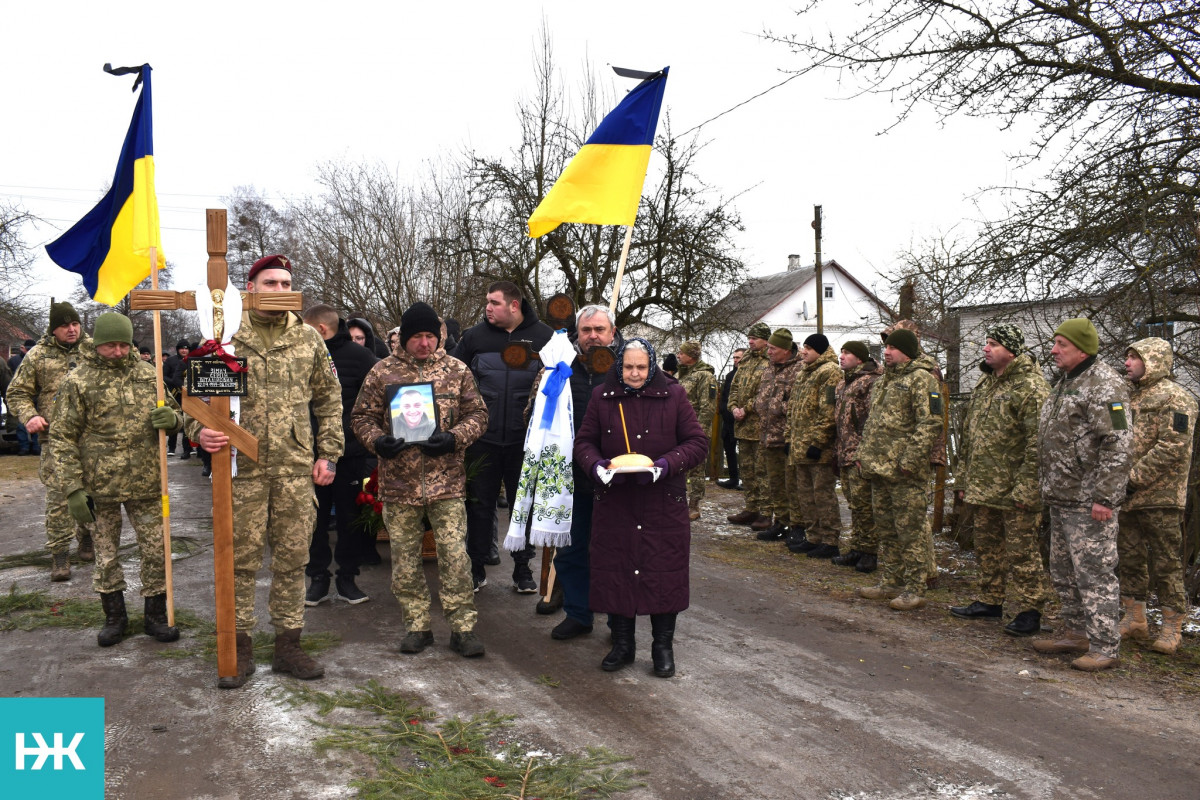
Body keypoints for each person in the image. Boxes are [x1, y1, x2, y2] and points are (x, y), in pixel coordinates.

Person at [186, 254, 343, 688]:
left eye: (285, 283)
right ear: (250, 288)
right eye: (269, 283)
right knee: (239, 561)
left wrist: (328, 454)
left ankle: (289, 645)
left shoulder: (309, 340)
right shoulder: (226, 339)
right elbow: (193, 402)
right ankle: (239, 645)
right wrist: (201, 430)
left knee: (294, 559)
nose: (279, 289)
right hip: (242, 467)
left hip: (294, 467)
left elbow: (329, 401)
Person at [352, 301, 489, 657]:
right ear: (405, 338)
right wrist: (378, 442)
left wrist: (454, 437)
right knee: (405, 560)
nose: (425, 343)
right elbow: (361, 417)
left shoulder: (456, 370)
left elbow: (478, 414)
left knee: (455, 557)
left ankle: (462, 628)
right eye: (417, 337)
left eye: (430, 335)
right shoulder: (382, 372)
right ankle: (417, 626)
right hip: (399, 484)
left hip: (447, 483)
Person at [574, 338, 709, 677]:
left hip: (663, 502)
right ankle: (622, 644)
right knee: (616, 571)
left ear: (652, 368)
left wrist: (665, 464)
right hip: (616, 501)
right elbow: (584, 442)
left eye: (641, 367)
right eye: (628, 366)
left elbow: (697, 443)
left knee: (664, 572)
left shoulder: (674, 395)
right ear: (619, 366)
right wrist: (597, 467)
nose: (634, 374)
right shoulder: (601, 397)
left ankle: (662, 647)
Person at [50, 313, 183, 647]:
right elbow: (62, 436)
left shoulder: (147, 374)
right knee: (106, 555)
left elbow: (177, 411)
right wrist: (73, 488)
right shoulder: (78, 380)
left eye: (124, 344)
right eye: (111, 345)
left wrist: (174, 419)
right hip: (100, 485)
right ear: (97, 344)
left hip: (147, 481)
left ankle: (155, 616)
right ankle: (115, 617)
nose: (119, 351)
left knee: (156, 549)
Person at [1033, 317, 1131, 671]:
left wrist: (1105, 496)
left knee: (1094, 572)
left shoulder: (1104, 383)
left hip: (1089, 501)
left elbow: (1117, 442)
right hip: (1061, 496)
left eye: (1061, 345)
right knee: (1063, 571)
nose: (1053, 350)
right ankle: (1076, 633)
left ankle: (1105, 646)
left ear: (1082, 349)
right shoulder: (1065, 382)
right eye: (1054, 343)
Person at [524, 305, 622, 638]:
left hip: (615, 478)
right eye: (586, 330)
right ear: (576, 333)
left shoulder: (629, 368)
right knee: (570, 550)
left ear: (612, 331)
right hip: (569, 477)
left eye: (599, 329)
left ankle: (617, 622)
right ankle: (579, 613)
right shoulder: (557, 366)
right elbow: (533, 415)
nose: (593, 336)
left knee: (613, 553)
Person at [950, 325, 1053, 636]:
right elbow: (969, 437)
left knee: (1022, 552)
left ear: (1011, 350)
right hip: (984, 485)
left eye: (993, 344)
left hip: (1015, 488)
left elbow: (1038, 444)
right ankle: (990, 600)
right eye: (986, 343)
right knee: (987, 546)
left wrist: (1026, 487)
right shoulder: (986, 384)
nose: (986, 349)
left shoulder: (1031, 389)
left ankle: (1030, 610)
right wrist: (963, 478)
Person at [452, 281, 553, 592]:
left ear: (514, 306)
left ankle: (523, 570)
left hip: (526, 441)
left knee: (523, 505)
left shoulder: (546, 338)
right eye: (487, 302)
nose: (488, 308)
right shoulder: (474, 337)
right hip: (482, 440)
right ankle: (477, 567)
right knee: (479, 505)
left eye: (494, 302)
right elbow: (452, 376)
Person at [1117, 337, 1196, 655]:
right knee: (1130, 558)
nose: (1127, 363)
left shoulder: (1177, 397)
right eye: (1127, 358)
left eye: (1134, 358)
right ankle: (1134, 619)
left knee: (1166, 563)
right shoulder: (1125, 397)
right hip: (1127, 495)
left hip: (1161, 495)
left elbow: (1173, 445)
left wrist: (1133, 479)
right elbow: (1117, 436)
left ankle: (1171, 627)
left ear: (1154, 361)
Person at [856, 329, 942, 611]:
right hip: (879, 468)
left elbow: (929, 423)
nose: (887, 351)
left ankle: (915, 587)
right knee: (886, 528)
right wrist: (863, 454)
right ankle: (891, 581)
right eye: (886, 347)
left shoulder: (922, 379)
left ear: (907, 351)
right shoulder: (883, 382)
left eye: (893, 347)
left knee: (910, 530)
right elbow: (872, 423)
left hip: (905, 472)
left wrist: (909, 460)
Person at [7, 301, 94, 580]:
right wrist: (29, 415)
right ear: (53, 329)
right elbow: (16, 393)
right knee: (59, 499)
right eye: (65, 325)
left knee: (93, 493)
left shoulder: (93, 350)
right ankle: (59, 554)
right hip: (55, 439)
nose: (71, 329)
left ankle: (87, 536)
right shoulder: (38, 356)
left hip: (92, 437)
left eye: (75, 324)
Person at [301, 304, 380, 607]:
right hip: (310, 454)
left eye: (306, 328)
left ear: (321, 330)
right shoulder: (303, 354)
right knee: (315, 521)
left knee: (349, 519)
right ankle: (318, 578)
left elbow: (379, 397)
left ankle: (348, 577)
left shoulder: (361, 358)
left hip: (351, 455)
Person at [785, 333, 844, 558]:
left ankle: (829, 540)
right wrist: (789, 438)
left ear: (819, 350)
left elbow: (828, 411)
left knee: (822, 494)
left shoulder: (829, 371)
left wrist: (818, 442)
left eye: (808, 348)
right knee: (805, 494)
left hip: (818, 449)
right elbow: (793, 409)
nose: (803, 351)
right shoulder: (804, 372)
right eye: (804, 347)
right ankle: (813, 537)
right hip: (800, 445)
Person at [831, 341, 882, 571]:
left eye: (847, 353)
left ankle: (870, 551)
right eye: (841, 352)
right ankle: (857, 547)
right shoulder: (843, 383)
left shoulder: (871, 382)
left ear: (860, 359)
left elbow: (873, 418)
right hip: (844, 450)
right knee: (854, 503)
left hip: (860, 451)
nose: (842, 356)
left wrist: (864, 450)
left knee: (864, 505)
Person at [752, 329, 800, 541]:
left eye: (773, 348)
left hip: (786, 437)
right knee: (775, 484)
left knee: (791, 486)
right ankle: (780, 522)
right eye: (768, 347)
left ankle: (795, 525)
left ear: (786, 350)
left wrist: (777, 406)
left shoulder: (799, 370)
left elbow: (800, 404)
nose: (768, 352)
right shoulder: (770, 368)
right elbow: (761, 395)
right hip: (768, 435)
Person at [726, 323, 771, 527]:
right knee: (747, 470)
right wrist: (734, 406)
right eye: (749, 337)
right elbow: (734, 386)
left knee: (763, 472)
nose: (751, 341)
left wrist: (747, 409)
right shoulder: (745, 360)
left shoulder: (770, 360)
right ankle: (751, 507)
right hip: (743, 427)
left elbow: (767, 392)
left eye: (755, 338)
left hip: (760, 426)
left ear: (766, 340)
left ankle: (766, 511)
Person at [676, 341, 716, 521]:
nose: (678, 355)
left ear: (691, 356)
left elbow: (707, 406)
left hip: (695, 430)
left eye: (681, 352)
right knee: (679, 467)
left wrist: (699, 433)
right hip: (679, 429)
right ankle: (678, 503)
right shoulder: (683, 375)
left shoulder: (705, 376)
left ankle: (694, 505)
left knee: (697, 469)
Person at [716, 348, 745, 489]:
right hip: (727, 420)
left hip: (741, 420)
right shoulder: (729, 375)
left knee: (745, 452)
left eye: (738, 357)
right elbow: (724, 396)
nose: (735, 360)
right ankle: (733, 478)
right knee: (729, 448)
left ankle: (746, 480)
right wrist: (722, 409)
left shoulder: (747, 375)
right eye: (734, 357)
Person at [163, 339, 193, 459]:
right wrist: (176, 384)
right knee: (174, 419)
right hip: (174, 394)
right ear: (177, 349)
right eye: (182, 348)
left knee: (187, 421)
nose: (184, 350)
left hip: (188, 395)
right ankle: (172, 447)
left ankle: (188, 448)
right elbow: (163, 376)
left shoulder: (193, 360)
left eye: (186, 348)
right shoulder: (171, 361)